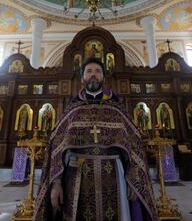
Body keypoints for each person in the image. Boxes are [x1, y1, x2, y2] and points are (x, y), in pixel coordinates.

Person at [34, 57, 156, 220]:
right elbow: (57, 147)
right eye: (89, 71)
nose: (93, 75)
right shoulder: (73, 109)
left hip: (114, 174)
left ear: (103, 77)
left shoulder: (116, 108)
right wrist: (56, 184)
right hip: (76, 177)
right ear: (82, 77)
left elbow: (134, 146)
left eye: (98, 71)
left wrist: (134, 180)